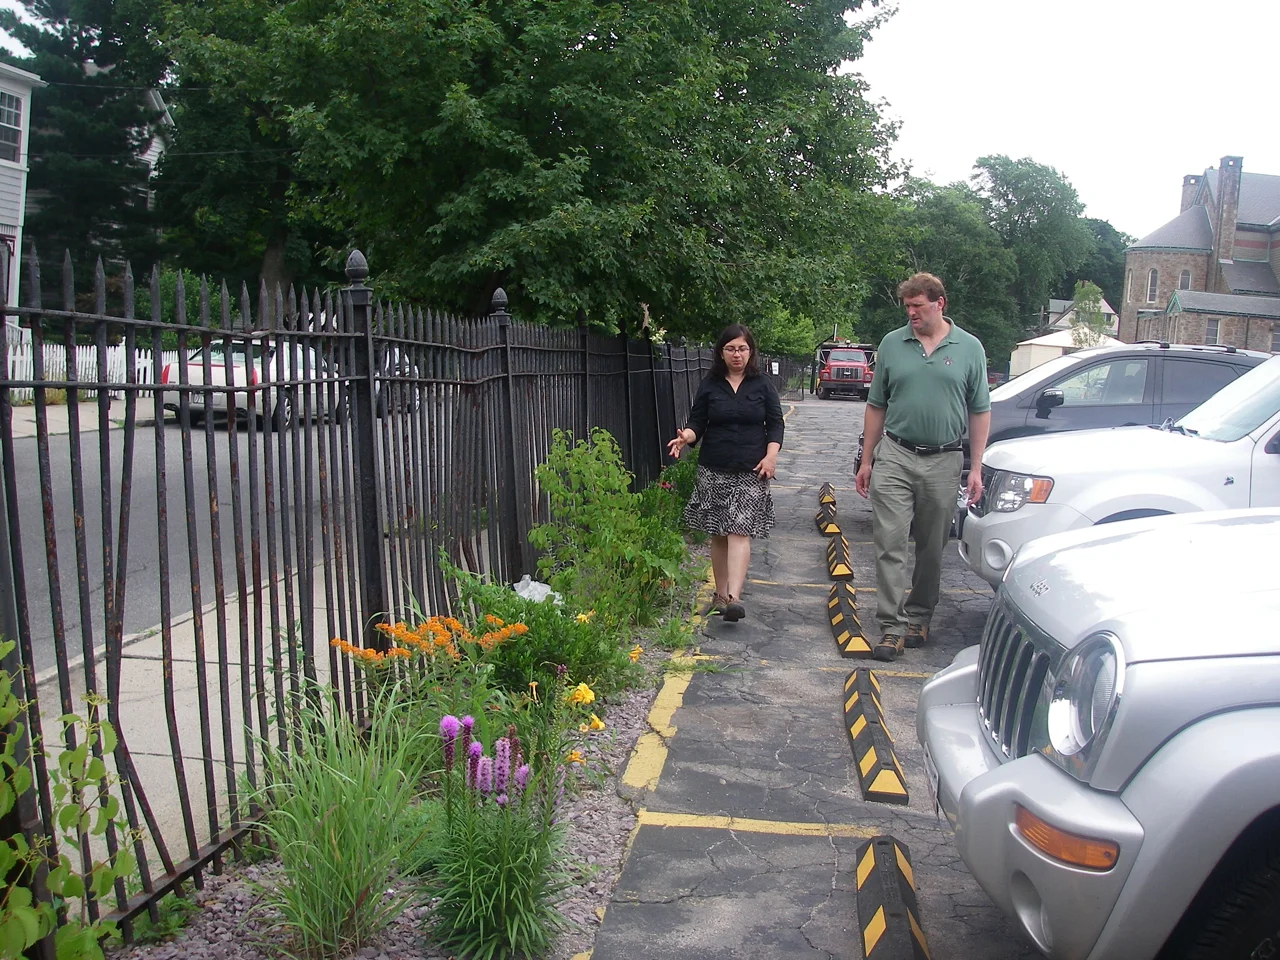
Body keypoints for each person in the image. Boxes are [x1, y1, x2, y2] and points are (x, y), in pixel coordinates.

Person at [854, 273, 991, 661]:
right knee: (890, 543)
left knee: (932, 547)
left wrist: (975, 467)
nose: (911, 313)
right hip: (896, 455)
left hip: (944, 459)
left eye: (918, 306)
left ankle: (919, 616)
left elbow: (980, 410)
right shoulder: (892, 344)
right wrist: (867, 459)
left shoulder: (969, 348)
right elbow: (876, 405)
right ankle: (891, 626)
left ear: (939, 303)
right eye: (907, 307)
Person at [668, 324, 784, 622]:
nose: (737, 354)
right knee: (719, 533)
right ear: (721, 353)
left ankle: (734, 597)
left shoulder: (762, 385)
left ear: (751, 352)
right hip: (714, 468)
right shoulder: (710, 385)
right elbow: (697, 422)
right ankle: (719, 596)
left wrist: (771, 457)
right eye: (731, 349)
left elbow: (775, 424)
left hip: (751, 469)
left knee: (739, 531)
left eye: (742, 349)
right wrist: (686, 438)